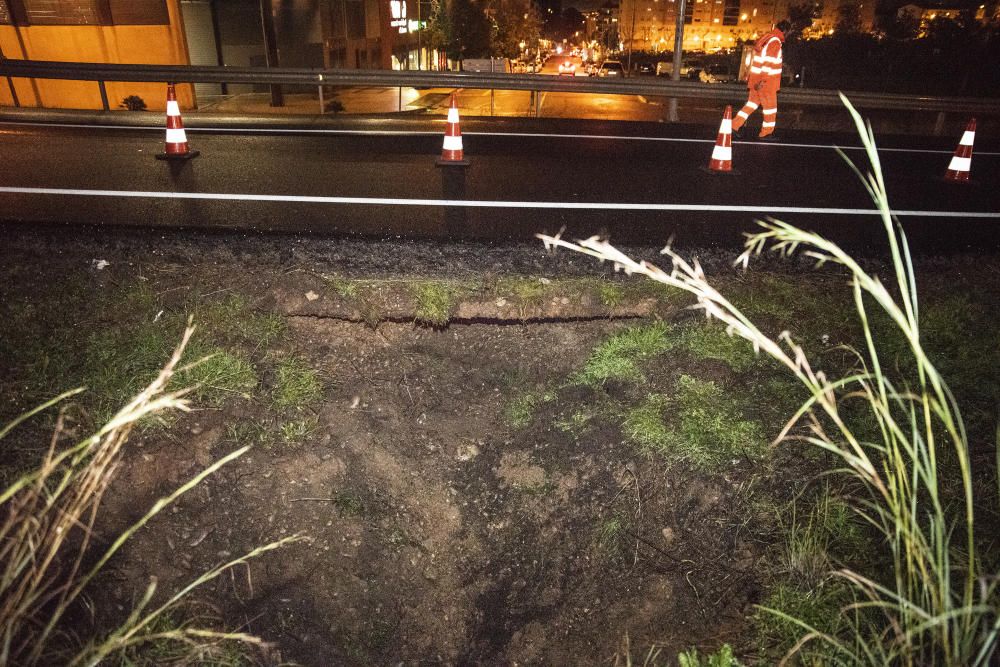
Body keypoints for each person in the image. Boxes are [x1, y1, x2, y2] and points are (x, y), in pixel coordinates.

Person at [732, 20, 790, 139]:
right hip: (766, 83)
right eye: (788, 32)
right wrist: (763, 81)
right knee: (770, 108)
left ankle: (733, 126)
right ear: (785, 31)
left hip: (756, 79)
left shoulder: (767, 39)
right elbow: (768, 63)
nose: (788, 35)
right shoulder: (775, 42)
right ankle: (766, 133)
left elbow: (760, 60)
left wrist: (757, 81)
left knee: (751, 104)